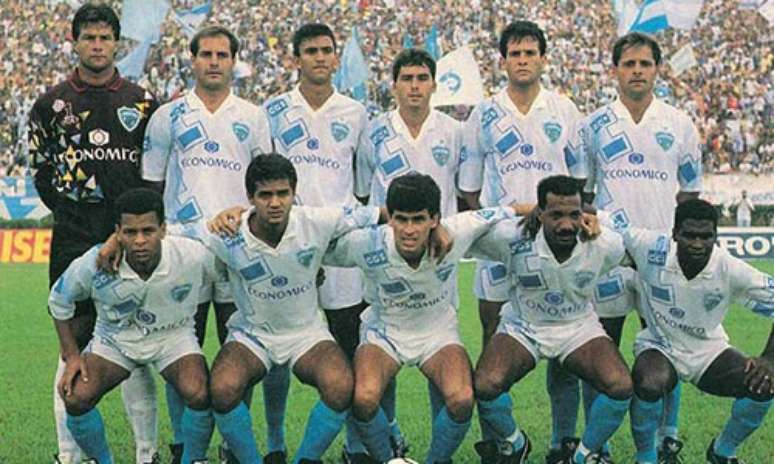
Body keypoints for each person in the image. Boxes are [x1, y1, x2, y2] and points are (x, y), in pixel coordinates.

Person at [177, 153, 381, 463]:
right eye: (265, 195)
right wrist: (113, 242)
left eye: (283, 193)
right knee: (222, 388)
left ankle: (304, 460)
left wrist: (439, 229)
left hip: (306, 333)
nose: (275, 203)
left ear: (294, 193)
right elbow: (167, 232)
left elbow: (381, 213)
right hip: (252, 334)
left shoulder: (316, 220)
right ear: (250, 198)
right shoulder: (228, 232)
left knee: (340, 385)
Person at [26, 4, 160, 463]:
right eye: (89, 38)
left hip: (129, 237)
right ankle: (69, 455)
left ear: (117, 43)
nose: (97, 46)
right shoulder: (50, 104)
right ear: (76, 42)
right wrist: (72, 210)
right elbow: (41, 173)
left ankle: (147, 452)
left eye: (105, 38)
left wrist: (126, 229)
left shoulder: (143, 102)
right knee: (74, 342)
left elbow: (152, 175)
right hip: (73, 234)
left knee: (135, 340)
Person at [140, 24, 272, 463]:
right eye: (206, 54)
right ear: (192, 60)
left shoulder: (253, 116)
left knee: (244, 349)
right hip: (184, 249)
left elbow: (267, 184)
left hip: (238, 248)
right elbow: (152, 187)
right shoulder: (168, 116)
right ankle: (184, 445)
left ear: (234, 61)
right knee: (181, 349)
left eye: (222, 54)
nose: (214, 61)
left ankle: (235, 446)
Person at [456, 20, 587, 461]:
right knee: (493, 337)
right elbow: (469, 188)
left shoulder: (564, 110)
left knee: (564, 340)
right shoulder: (484, 114)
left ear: (543, 58)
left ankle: (562, 440)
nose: (523, 60)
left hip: (559, 244)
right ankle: (503, 439)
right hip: (501, 244)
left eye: (531, 53)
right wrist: (500, 223)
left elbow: (580, 180)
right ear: (503, 60)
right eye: (515, 53)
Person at [326, 173, 513, 463]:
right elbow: (312, 235)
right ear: (390, 218)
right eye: (401, 219)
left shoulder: (459, 230)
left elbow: (511, 210)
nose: (409, 230)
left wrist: (552, 211)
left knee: (462, 398)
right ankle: (390, 459)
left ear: (435, 219)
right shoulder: (367, 243)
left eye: (418, 219)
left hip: (437, 331)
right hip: (385, 330)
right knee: (363, 398)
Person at [578, 32, 703, 462]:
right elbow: (583, 194)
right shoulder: (594, 125)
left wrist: (678, 244)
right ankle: (598, 445)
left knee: (671, 348)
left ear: (656, 69)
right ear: (615, 70)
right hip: (611, 256)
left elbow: (691, 194)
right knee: (600, 348)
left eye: (644, 64)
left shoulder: (679, 123)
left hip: (662, 258)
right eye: (628, 64)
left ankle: (668, 436)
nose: (636, 71)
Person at [262, 23, 370, 462]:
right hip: (287, 244)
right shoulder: (273, 111)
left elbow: (360, 186)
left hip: (341, 248)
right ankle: (274, 442)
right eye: (311, 51)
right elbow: (264, 181)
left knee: (349, 345)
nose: (321, 57)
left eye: (327, 50)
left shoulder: (356, 112)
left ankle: (355, 444)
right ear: (296, 58)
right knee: (275, 348)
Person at [471, 175, 633, 464]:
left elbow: (641, 250)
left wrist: (603, 220)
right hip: (524, 327)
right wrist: (512, 210)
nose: (566, 224)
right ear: (540, 213)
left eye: (574, 215)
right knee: (485, 384)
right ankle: (516, 444)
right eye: (556, 215)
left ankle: (581, 456)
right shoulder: (512, 237)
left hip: (578, 327)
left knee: (620, 386)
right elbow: (463, 231)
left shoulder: (603, 243)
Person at [50, 188, 216, 464]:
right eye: (130, 232)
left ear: (164, 229)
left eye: (148, 231)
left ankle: (194, 459)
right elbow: (59, 300)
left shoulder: (193, 254)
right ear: (117, 232)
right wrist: (71, 355)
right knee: (76, 397)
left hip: (173, 337)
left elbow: (227, 274)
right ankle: (103, 461)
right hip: (115, 341)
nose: (139, 241)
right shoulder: (95, 263)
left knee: (199, 392)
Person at [353, 48, 464, 462]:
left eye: (422, 78)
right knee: (383, 352)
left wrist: (444, 228)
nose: (415, 86)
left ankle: (441, 452)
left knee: (443, 357)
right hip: (387, 258)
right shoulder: (375, 131)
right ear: (394, 85)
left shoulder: (453, 131)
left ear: (434, 84)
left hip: (437, 257)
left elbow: (464, 191)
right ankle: (391, 437)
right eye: (407, 78)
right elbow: (364, 192)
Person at [606, 199, 774, 464]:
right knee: (649, 382)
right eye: (689, 235)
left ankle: (723, 452)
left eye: (706, 236)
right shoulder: (651, 247)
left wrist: (770, 358)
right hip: (660, 346)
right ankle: (646, 458)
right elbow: (605, 222)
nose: (697, 244)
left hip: (708, 351)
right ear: (674, 234)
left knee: (763, 386)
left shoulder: (730, 268)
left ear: (715, 236)